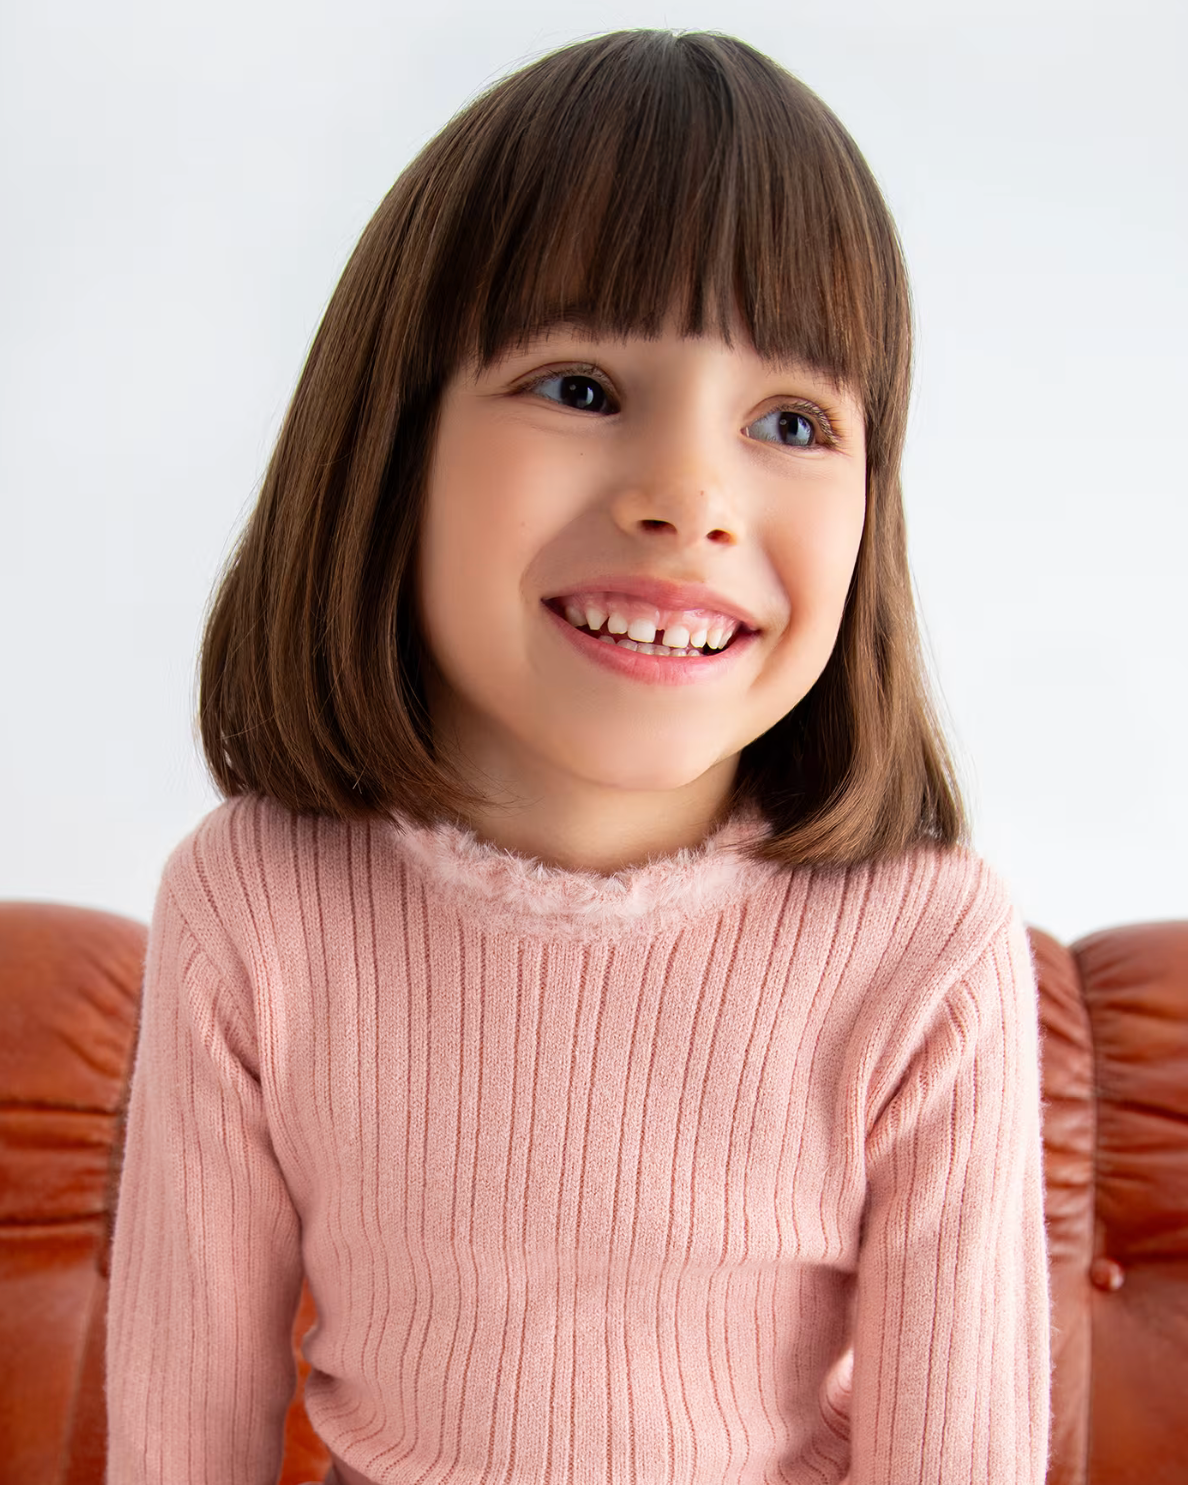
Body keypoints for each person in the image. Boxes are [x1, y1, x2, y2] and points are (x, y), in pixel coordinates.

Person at [105, 29, 1052, 1485]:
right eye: (584, 388)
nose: (691, 496)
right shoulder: (252, 904)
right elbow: (182, 1449)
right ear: (392, 442)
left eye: (792, 422)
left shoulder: (925, 946)